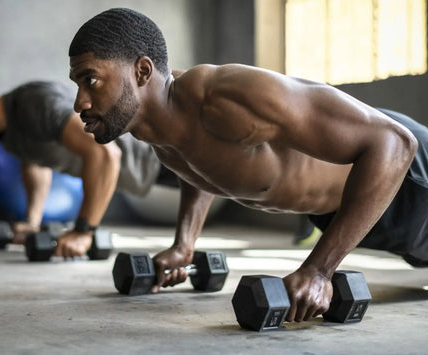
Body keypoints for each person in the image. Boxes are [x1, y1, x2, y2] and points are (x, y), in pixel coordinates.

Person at [67, 8, 428, 323]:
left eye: (91, 80)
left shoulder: (226, 97)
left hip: (406, 181)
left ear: (142, 71)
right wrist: (184, 243)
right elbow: (200, 167)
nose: (80, 102)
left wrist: (319, 270)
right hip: (361, 213)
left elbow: (394, 144)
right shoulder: (159, 133)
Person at [0, 74, 177, 257]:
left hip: (160, 153)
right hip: (143, 173)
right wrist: (32, 221)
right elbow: (35, 163)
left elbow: (104, 154)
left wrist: (83, 231)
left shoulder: (34, 103)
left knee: (212, 183)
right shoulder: (6, 131)